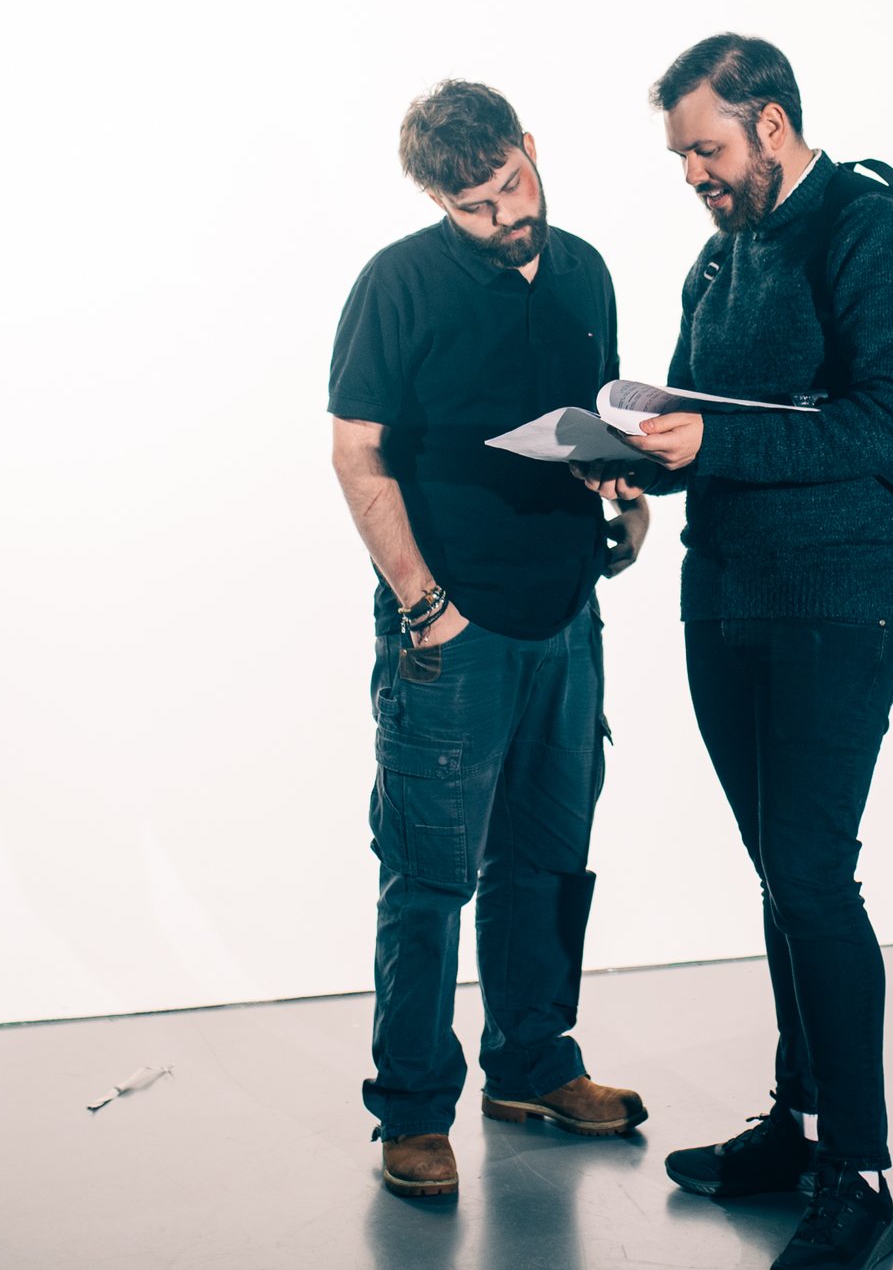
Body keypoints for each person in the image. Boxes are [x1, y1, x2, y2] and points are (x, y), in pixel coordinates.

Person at [582, 34, 893, 1270]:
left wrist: (709, 450)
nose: (693, 172)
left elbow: (892, 423)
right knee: (778, 871)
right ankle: (796, 1130)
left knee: (811, 872)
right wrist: (623, 450)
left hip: (842, 593)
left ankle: (860, 1173)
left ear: (774, 125)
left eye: (707, 147)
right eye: (682, 153)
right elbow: (698, 418)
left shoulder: (876, 233)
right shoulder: (721, 250)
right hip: (728, 591)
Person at [329, 79, 651, 1200]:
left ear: (529, 146)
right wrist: (426, 605)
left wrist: (626, 493)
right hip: (451, 628)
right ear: (435, 197)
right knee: (427, 879)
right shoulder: (397, 285)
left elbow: (593, 418)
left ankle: (532, 1065)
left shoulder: (584, 267)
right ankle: (411, 1114)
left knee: (549, 857)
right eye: (475, 205)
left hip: (567, 610)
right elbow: (356, 454)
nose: (506, 214)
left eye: (512, 184)